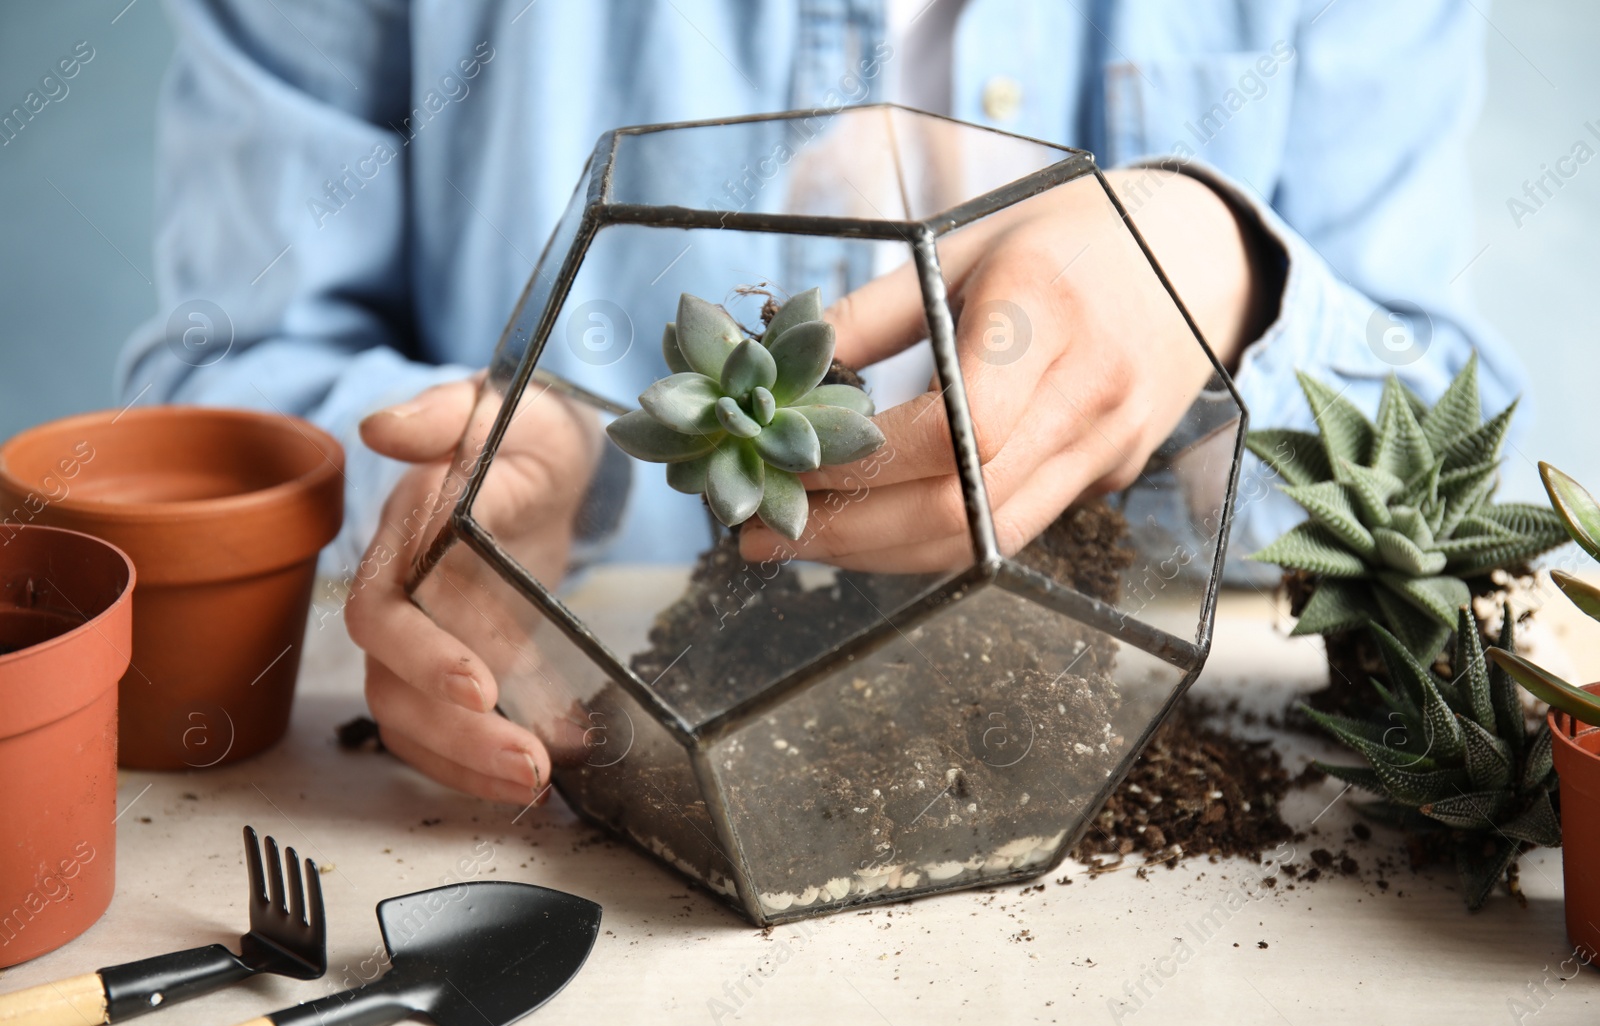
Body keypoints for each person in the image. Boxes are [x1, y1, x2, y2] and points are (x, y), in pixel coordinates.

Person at [118, 0, 1520, 805]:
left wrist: (1231, 279)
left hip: (1099, 756)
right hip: (596, 750)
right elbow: (218, 384)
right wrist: (532, 472)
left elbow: (1465, 472)